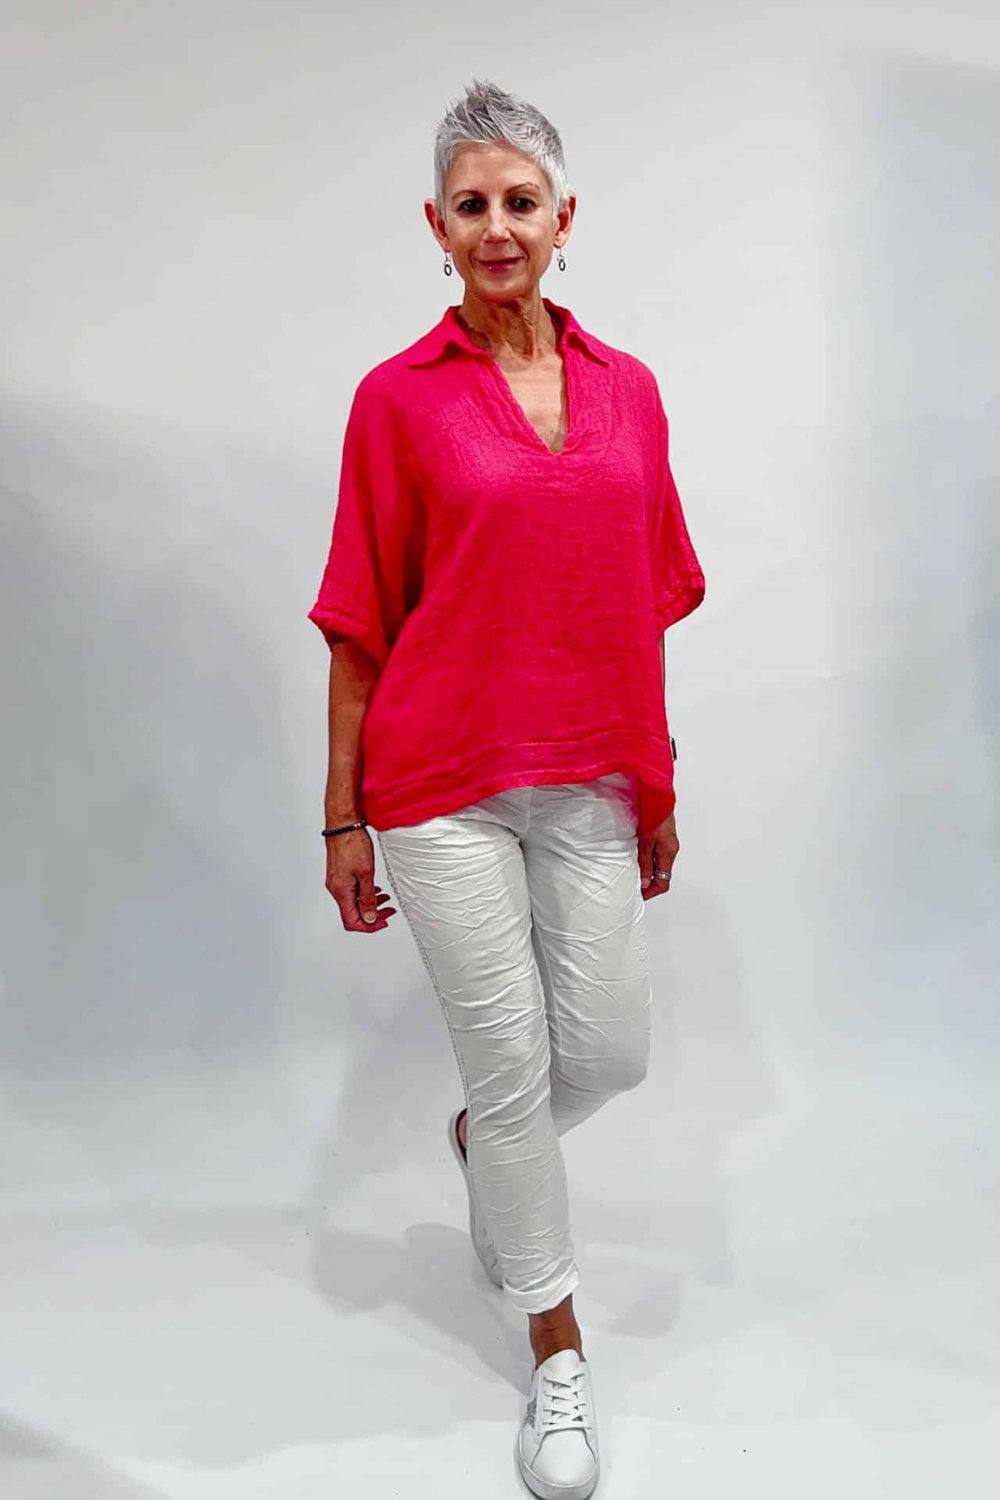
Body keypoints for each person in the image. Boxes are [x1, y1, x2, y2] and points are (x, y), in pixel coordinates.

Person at [307, 76, 705, 1500]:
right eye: (469, 204)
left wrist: (655, 779)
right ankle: (557, 1351)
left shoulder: (630, 391)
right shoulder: (397, 401)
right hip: (438, 783)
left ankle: (487, 1148)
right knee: (515, 1066)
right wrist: (344, 814)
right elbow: (359, 620)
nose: (496, 227)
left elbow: (638, 605)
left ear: (563, 217)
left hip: (589, 770)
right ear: (435, 225)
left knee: (608, 1054)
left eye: (519, 202)